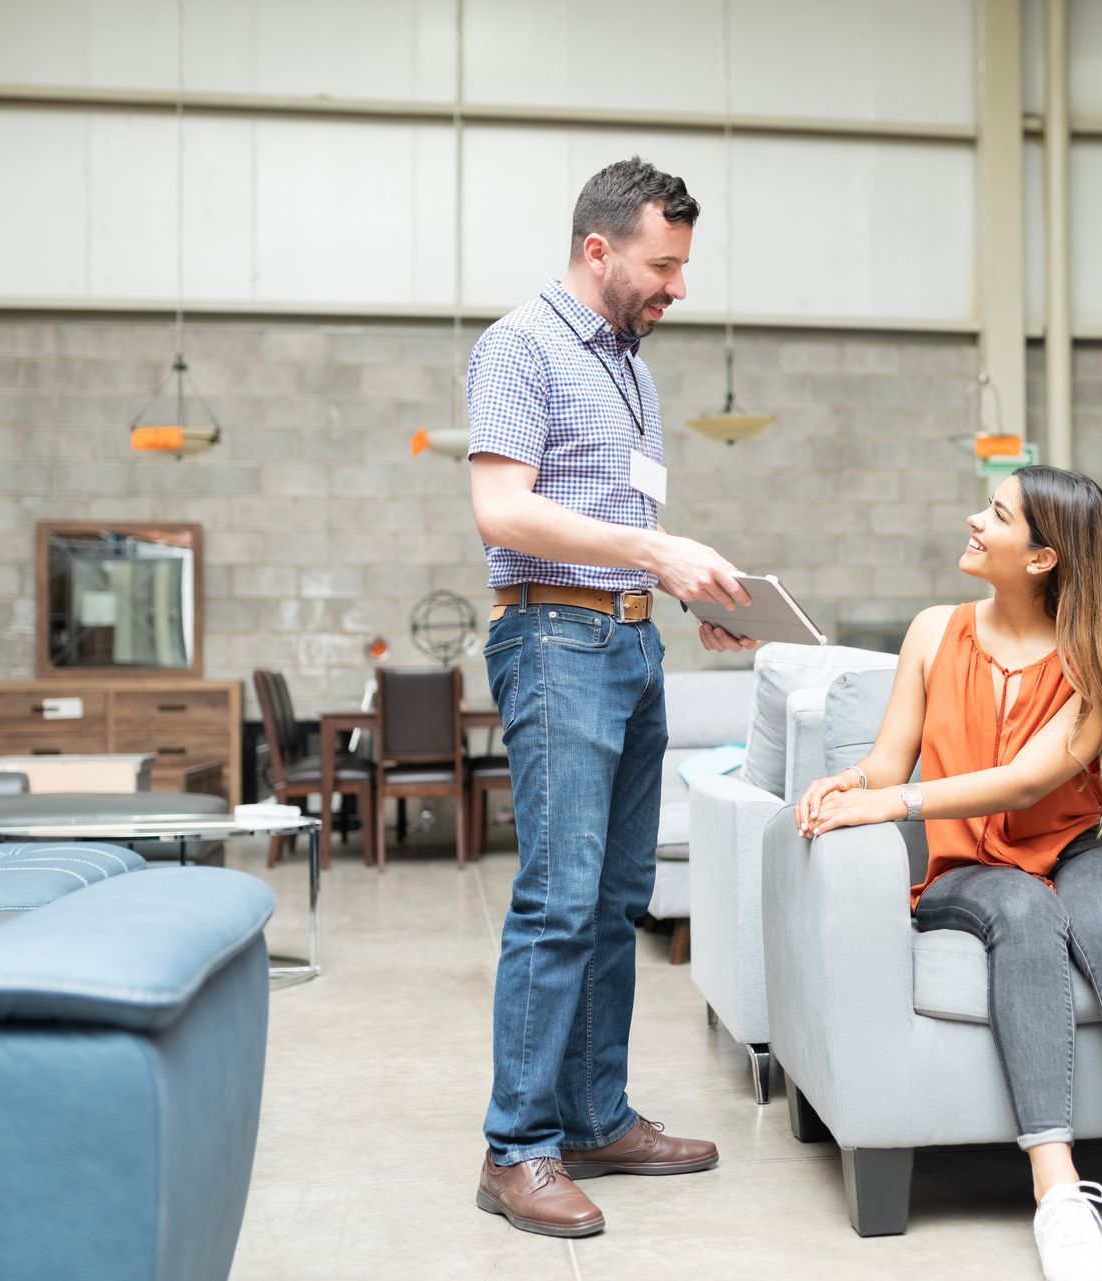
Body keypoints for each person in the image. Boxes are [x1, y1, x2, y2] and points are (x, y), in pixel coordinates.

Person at [795, 467, 1102, 1281]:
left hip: (1086, 848)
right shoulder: (932, 632)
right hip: (972, 869)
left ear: (1042, 558)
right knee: (1024, 910)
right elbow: (890, 762)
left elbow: (1028, 781)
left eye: (996, 514)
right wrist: (852, 785)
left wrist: (896, 804)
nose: (973, 520)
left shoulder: (1097, 654)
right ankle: (1058, 1196)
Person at [466, 156, 758, 1239]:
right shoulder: (519, 347)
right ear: (600, 248)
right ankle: (518, 1149)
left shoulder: (633, 367)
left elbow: (619, 514)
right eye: (663, 264)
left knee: (616, 895)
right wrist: (653, 550)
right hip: (553, 639)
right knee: (557, 894)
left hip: (629, 646)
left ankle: (592, 1116)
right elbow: (503, 510)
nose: (677, 287)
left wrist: (683, 591)